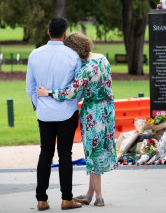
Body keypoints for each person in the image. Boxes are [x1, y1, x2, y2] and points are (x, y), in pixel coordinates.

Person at [37, 32, 117, 208]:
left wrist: (48, 92)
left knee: (92, 152)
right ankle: (89, 194)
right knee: (99, 148)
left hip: (92, 112)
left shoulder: (85, 69)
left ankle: (99, 197)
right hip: (107, 109)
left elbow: (71, 92)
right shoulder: (102, 59)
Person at [26, 18, 83, 211]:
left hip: (44, 113)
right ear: (65, 33)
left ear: (48, 31)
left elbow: (30, 87)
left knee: (45, 154)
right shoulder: (73, 56)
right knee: (65, 154)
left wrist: (39, 105)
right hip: (66, 112)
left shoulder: (34, 55)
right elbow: (78, 89)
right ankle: (67, 199)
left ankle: (41, 199)